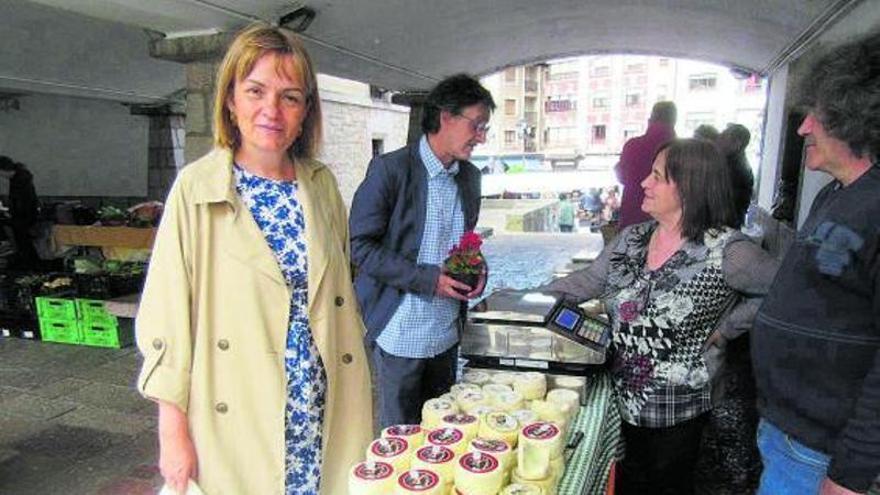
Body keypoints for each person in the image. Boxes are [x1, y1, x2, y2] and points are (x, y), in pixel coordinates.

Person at [135, 23, 371, 495]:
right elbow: (166, 318)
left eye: (290, 97)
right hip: (237, 407)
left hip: (322, 401)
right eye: (256, 91)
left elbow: (340, 291)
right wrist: (172, 431)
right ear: (230, 100)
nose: (271, 110)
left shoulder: (321, 185)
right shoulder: (196, 190)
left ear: (305, 112)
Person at [542, 138, 778, 495]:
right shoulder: (631, 239)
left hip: (679, 407)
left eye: (657, 176)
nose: (643, 183)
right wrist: (527, 298)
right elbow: (590, 280)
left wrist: (730, 327)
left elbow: (783, 290)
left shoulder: (727, 251)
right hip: (619, 394)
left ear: (689, 186)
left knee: (668, 486)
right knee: (627, 483)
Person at [751, 33, 880, 495]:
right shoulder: (835, 194)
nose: (803, 128)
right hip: (791, 433)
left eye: (817, 115)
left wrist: (848, 476)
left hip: (824, 453)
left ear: (855, 116)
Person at [350, 74, 493, 428]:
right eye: (476, 126)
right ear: (446, 117)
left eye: (484, 128)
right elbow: (359, 247)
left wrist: (478, 266)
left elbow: (463, 243)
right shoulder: (390, 170)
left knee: (441, 435)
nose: (481, 137)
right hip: (399, 333)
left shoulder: (470, 178)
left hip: (446, 334)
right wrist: (429, 280)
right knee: (400, 441)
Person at [615, 101, 676, 229]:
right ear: (674, 121)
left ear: (651, 119)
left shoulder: (632, 145)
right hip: (667, 222)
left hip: (632, 217)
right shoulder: (681, 150)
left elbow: (622, 176)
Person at [0, 156, 40, 269]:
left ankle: (27, 265)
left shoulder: (19, 182)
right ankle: (29, 264)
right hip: (26, 216)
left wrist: (11, 215)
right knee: (25, 243)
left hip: (23, 218)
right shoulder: (21, 178)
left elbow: (21, 202)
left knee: (23, 243)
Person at [717, 123, 755, 227]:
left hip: (725, 226)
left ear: (737, 144)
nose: (719, 139)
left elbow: (725, 202)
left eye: (724, 137)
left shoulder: (737, 169)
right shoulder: (730, 163)